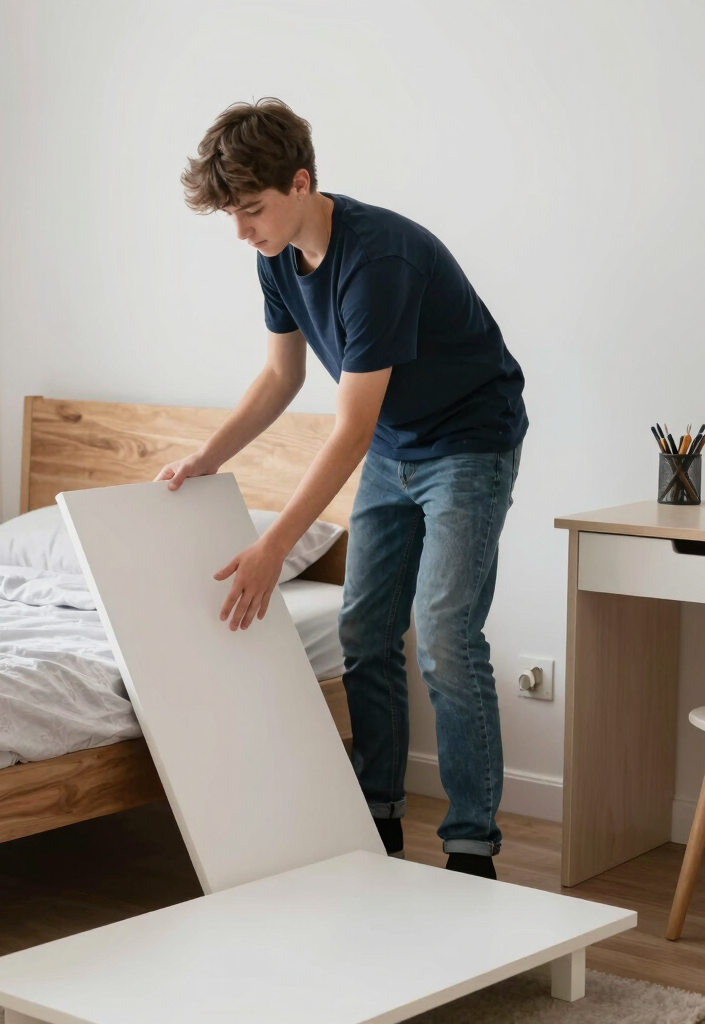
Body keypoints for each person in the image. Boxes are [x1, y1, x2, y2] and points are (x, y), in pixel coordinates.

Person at [156, 98, 527, 878]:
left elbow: (350, 429)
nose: (242, 231)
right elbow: (280, 376)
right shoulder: (277, 257)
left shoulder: (378, 260)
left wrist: (272, 547)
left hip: (468, 442)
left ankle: (470, 848)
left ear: (300, 183)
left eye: (251, 210)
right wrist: (207, 459)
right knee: (364, 630)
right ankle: (378, 820)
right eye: (230, 215)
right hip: (397, 440)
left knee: (447, 634)